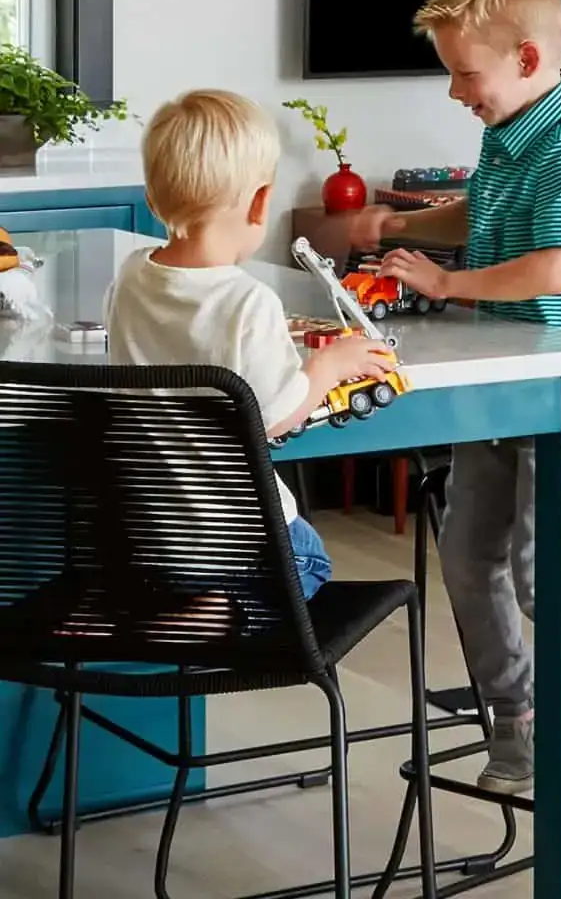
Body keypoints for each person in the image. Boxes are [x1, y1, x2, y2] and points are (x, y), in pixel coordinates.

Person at [348, 0, 561, 803]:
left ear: (524, 59)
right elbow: (479, 213)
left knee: (536, 571)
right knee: (470, 555)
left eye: (462, 75)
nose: (453, 94)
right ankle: (514, 729)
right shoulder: (508, 135)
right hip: (500, 383)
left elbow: (550, 270)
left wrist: (442, 283)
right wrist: (402, 222)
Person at [104, 88, 396, 602]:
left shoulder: (129, 278)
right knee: (311, 562)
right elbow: (274, 415)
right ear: (262, 202)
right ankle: (217, 613)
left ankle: (191, 607)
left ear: (151, 200)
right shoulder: (248, 301)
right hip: (241, 541)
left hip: (153, 538)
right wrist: (327, 366)